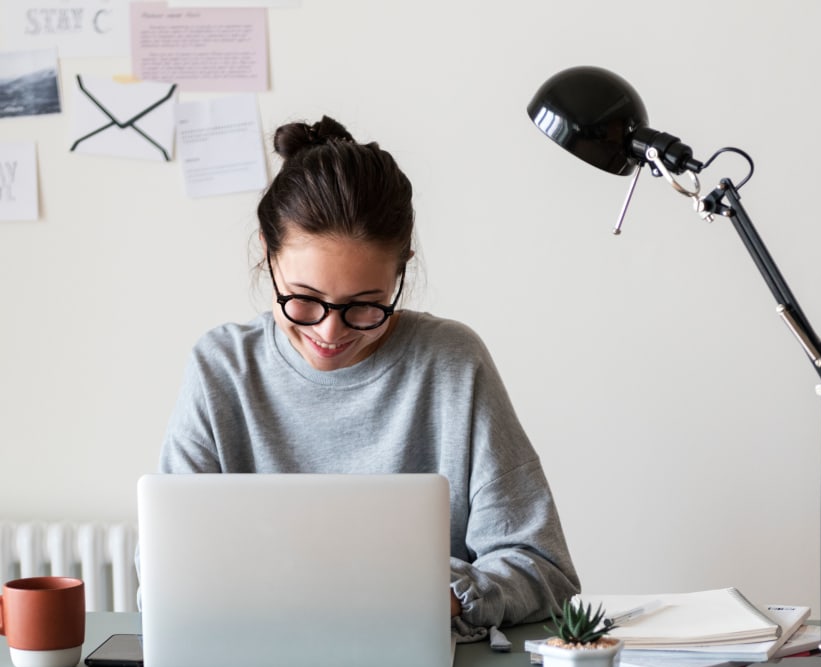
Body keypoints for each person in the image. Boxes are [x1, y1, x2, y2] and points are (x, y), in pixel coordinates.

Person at [157, 115, 580, 629]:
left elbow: (544, 569)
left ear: (399, 276)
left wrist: (439, 596)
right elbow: (165, 563)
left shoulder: (452, 363)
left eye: (364, 306)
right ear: (267, 259)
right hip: (251, 662)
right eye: (304, 301)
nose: (331, 333)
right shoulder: (221, 368)